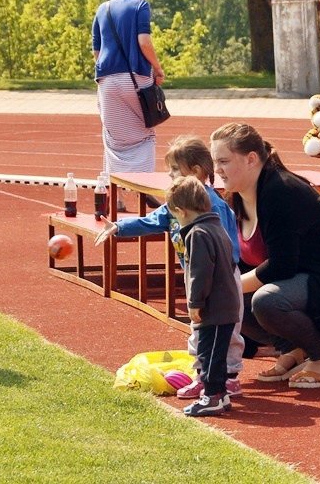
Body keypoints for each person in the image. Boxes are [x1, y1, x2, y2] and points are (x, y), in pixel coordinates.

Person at [209, 122, 320, 391]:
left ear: (251, 159)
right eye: (215, 161)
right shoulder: (237, 196)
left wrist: (228, 288)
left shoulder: (280, 191)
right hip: (299, 283)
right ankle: (295, 348)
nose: (216, 169)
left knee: (264, 300)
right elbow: (240, 260)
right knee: (223, 296)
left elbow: (282, 265)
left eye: (223, 161)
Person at [94, 135, 246, 397]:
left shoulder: (215, 206)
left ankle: (229, 376)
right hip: (194, 275)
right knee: (197, 326)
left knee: (226, 328)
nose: (171, 176)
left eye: (175, 170)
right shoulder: (177, 203)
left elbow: (228, 244)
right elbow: (152, 220)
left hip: (221, 278)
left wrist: (221, 272)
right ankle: (202, 373)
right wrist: (119, 227)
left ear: (196, 171)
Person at [164, 176, 242, 417]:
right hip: (224, 305)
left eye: (174, 216)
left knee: (208, 354)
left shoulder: (197, 234)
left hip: (214, 307)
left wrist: (195, 303)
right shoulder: (216, 227)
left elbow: (200, 272)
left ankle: (212, 396)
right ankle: (219, 394)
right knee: (214, 352)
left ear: (181, 211)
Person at [91, 0, 165, 211]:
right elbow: (144, 42)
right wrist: (157, 67)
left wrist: (109, 73)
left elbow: (96, 51)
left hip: (107, 80)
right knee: (146, 131)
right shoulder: (140, 7)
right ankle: (144, 187)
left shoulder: (103, 9)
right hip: (136, 77)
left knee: (112, 138)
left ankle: (117, 196)